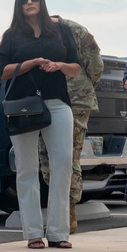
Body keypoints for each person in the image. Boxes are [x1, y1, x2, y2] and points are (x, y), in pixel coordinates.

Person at [0, 0, 81, 249]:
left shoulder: (60, 31)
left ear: (41, 1)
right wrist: (31, 63)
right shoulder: (11, 35)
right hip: (23, 106)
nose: (30, 2)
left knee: (63, 162)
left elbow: (76, 68)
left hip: (57, 102)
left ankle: (58, 232)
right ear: (18, 5)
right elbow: (1, 71)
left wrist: (59, 65)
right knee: (27, 167)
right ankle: (33, 232)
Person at [39, 16, 102, 234]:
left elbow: (95, 63)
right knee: (46, 157)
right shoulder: (32, 28)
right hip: (46, 99)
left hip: (75, 99)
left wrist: (82, 85)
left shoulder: (75, 30)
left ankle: (68, 214)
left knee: (68, 157)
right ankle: (58, 212)